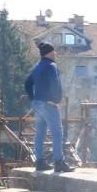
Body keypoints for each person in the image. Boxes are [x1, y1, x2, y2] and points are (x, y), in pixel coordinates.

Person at [24, 42, 72, 172]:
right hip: (48, 104)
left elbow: (27, 84)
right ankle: (59, 163)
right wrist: (56, 100)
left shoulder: (37, 66)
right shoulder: (51, 66)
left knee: (40, 133)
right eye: (53, 51)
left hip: (38, 104)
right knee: (57, 133)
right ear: (49, 53)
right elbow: (55, 83)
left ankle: (40, 162)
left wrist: (33, 98)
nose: (55, 53)